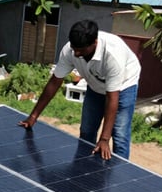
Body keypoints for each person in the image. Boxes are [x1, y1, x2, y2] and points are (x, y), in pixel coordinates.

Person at [18, 19, 140, 159]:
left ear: (94, 43)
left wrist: (104, 139)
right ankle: (85, 169)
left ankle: (119, 176)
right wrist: (33, 116)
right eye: (74, 48)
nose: (76, 54)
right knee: (87, 131)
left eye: (81, 50)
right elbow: (55, 82)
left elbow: (112, 97)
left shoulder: (112, 56)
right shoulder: (70, 50)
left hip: (124, 86)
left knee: (119, 135)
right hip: (95, 86)